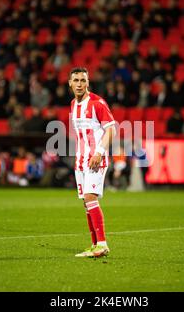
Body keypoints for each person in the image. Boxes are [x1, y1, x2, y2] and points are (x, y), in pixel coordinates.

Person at [68, 67, 116, 258]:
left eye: (83, 80)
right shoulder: (73, 104)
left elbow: (111, 130)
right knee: (85, 203)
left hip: (96, 159)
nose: (79, 84)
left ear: (88, 83)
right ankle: (94, 244)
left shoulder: (97, 103)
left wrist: (99, 152)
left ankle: (102, 244)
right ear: (70, 83)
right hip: (80, 160)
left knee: (90, 198)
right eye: (76, 80)